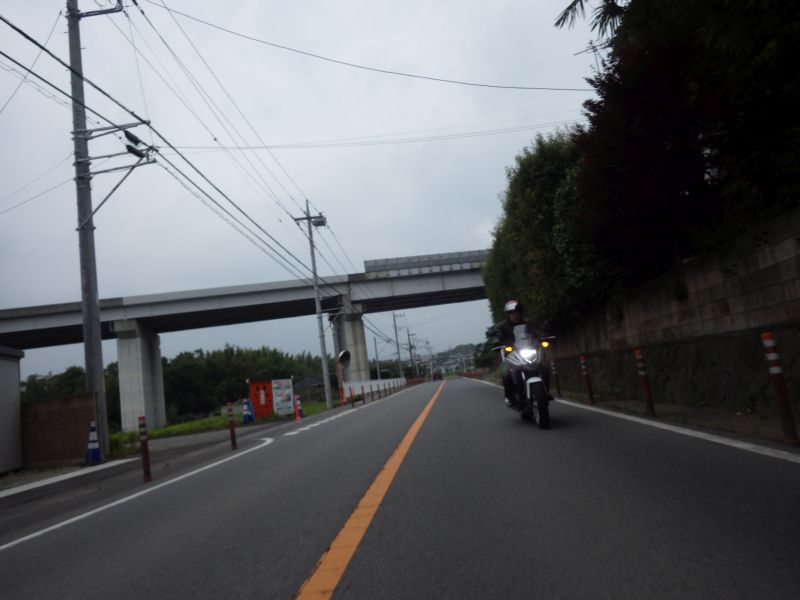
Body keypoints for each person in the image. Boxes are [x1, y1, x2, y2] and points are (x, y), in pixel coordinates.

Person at [494, 300, 549, 407]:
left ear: (520, 312)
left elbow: (536, 331)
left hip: (529, 350)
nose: (514, 314)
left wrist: (543, 336)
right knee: (505, 372)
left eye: (517, 312)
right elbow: (497, 335)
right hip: (511, 354)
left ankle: (545, 392)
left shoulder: (528, 323)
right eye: (512, 313)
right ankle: (509, 397)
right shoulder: (502, 326)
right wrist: (497, 341)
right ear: (508, 314)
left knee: (546, 366)